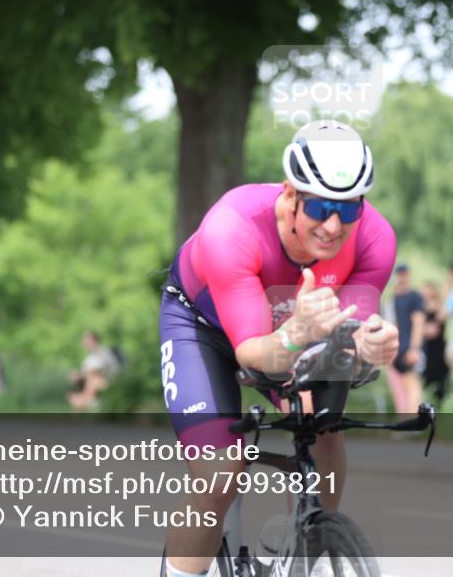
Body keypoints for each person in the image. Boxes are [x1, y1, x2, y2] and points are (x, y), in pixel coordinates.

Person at [158, 120, 399, 576]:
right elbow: (252, 353)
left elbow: (347, 333)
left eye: (348, 210)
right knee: (220, 471)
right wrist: (298, 332)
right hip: (202, 326)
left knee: (322, 426)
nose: (333, 226)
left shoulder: (375, 239)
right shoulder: (232, 226)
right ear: (290, 194)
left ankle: (298, 553)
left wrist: (370, 346)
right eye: (322, 207)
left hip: (291, 328)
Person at [387, 264, 425, 414]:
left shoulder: (414, 297)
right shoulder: (395, 298)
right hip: (399, 348)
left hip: (409, 347)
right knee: (405, 387)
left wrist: (414, 349)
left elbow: (418, 323)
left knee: (412, 385)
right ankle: (408, 422)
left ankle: (413, 422)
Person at [67, 330, 120, 411]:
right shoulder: (89, 358)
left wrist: (85, 374)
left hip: (109, 381)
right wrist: (78, 376)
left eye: (87, 342)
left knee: (93, 376)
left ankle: (85, 399)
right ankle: (85, 400)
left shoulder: (103, 352)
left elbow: (101, 370)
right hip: (94, 383)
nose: (85, 344)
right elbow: (86, 371)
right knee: (82, 376)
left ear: (94, 341)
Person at [420, 281, 450, 406]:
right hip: (426, 348)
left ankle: (439, 403)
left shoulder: (439, 308)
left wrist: (420, 329)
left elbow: (433, 331)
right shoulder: (422, 308)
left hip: (437, 349)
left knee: (438, 376)